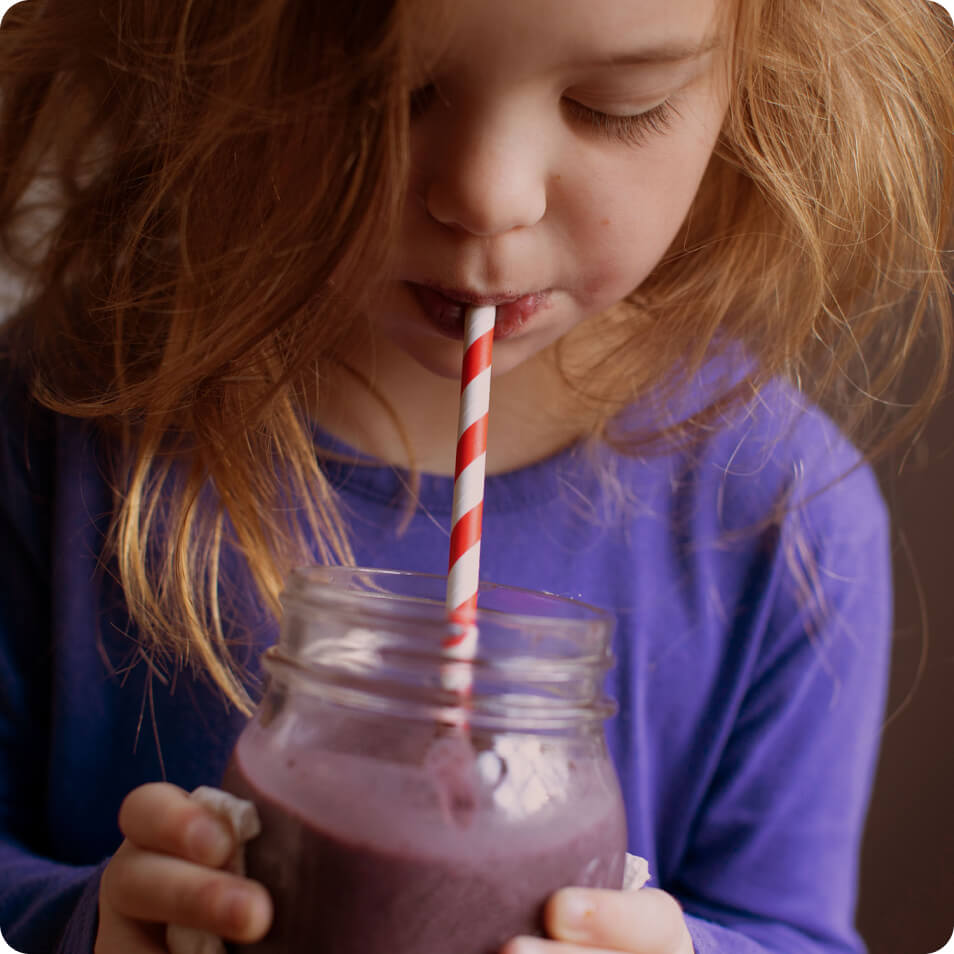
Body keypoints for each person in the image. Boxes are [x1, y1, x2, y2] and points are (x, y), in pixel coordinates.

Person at [0, 0, 952, 951]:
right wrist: (85, 925)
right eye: (386, 96)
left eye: (617, 106)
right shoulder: (56, 419)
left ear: (748, 92)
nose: (489, 197)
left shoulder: (784, 515)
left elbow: (794, 932)